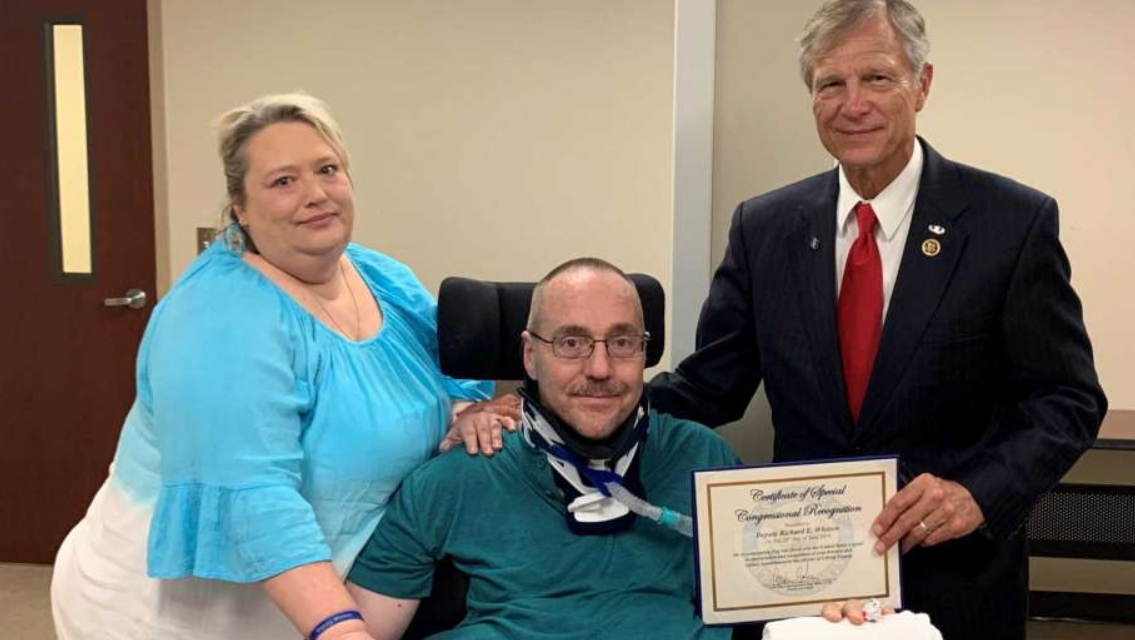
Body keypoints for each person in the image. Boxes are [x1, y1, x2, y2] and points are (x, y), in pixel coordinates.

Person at [649, 1, 1107, 638]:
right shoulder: (765, 228)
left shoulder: (1012, 223)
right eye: (830, 83)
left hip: (952, 580)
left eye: (877, 78)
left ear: (921, 84)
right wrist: (549, 414)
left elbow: (1068, 398)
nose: (852, 103)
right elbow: (707, 387)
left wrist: (976, 494)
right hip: (803, 585)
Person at [51, 92, 516, 640]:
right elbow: (255, 501)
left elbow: (442, 370)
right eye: (283, 181)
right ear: (239, 207)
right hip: (181, 617)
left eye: (327, 169)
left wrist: (464, 412)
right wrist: (343, 632)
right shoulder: (218, 320)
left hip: (317, 597)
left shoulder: (379, 276)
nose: (316, 194)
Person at [345, 258, 739, 639]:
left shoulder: (704, 461)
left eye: (622, 342)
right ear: (530, 356)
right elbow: (357, 632)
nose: (600, 368)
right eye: (571, 342)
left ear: (643, 351)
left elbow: (780, 597)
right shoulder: (452, 480)